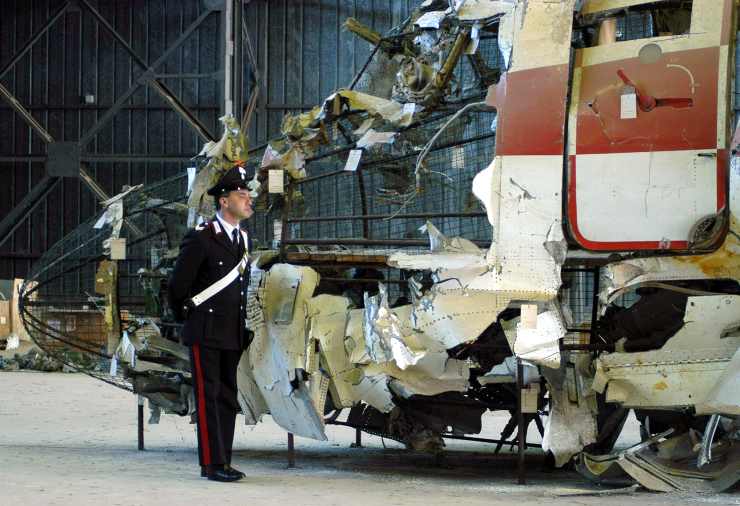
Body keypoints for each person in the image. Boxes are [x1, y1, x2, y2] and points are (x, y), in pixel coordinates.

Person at [168, 165, 255, 482]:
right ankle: (211, 463)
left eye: (248, 196)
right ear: (224, 201)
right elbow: (177, 287)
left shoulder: (243, 239)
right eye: (241, 195)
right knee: (208, 396)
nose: (248, 201)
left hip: (231, 332)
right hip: (205, 330)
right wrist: (187, 321)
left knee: (227, 396)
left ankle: (224, 460)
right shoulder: (202, 238)